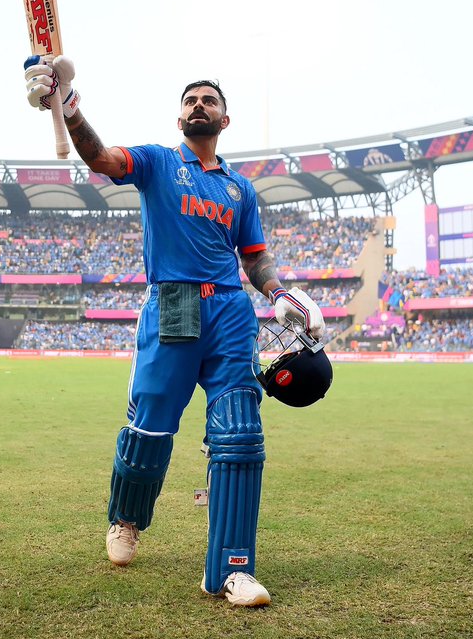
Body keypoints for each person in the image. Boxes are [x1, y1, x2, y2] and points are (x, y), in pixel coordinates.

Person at [23, 56, 325, 607]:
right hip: (176, 304)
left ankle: (232, 569)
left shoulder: (239, 189)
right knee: (151, 427)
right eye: (190, 100)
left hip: (231, 311)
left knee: (239, 431)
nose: (198, 105)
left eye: (208, 99)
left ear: (224, 120)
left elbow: (255, 258)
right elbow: (100, 157)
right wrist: (68, 106)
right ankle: (126, 520)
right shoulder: (160, 163)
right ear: (179, 118)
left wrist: (280, 293)